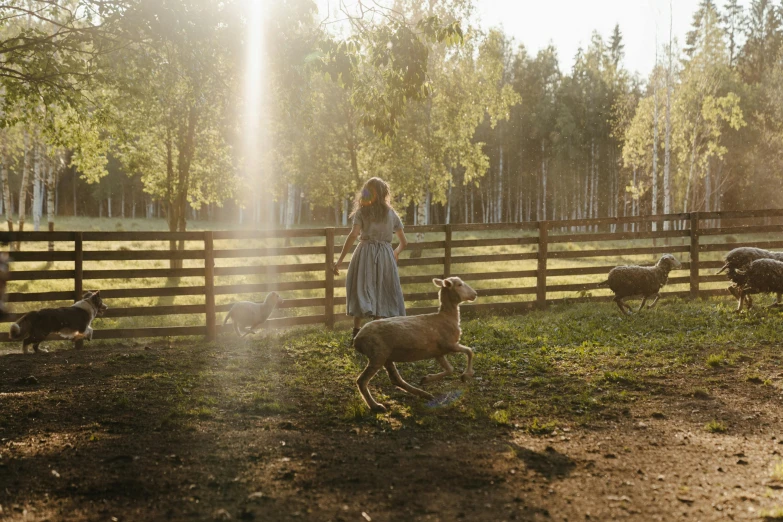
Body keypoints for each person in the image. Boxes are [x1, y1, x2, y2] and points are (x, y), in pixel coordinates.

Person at [333, 177, 408, 340]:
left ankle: (356, 331)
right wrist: (395, 252)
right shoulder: (391, 213)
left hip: (365, 252)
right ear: (384, 193)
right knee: (381, 289)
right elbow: (404, 242)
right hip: (385, 254)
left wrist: (340, 260)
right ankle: (376, 333)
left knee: (362, 287)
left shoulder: (362, 212)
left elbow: (353, 235)